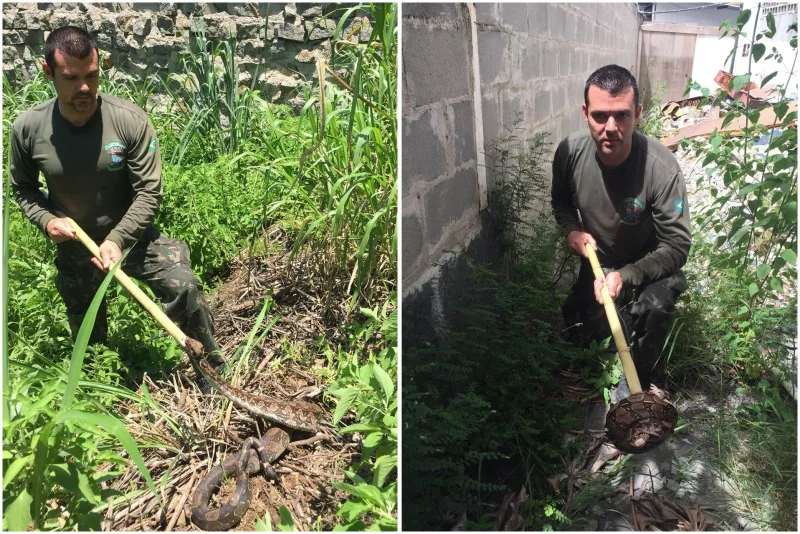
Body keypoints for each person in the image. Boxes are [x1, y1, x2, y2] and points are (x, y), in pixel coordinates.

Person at [9, 25, 221, 364]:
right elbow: (23, 188)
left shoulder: (129, 121)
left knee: (185, 286)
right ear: (47, 72)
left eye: (91, 76)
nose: (84, 87)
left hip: (131, 237)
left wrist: (118, 239)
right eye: (71, 77)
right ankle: (94, 387)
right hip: (76, 244)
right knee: (87, 338)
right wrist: (48, 221)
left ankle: (211, 368)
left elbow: (149, 191)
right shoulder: (28, 128)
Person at [551, 64, 692, 395]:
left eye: (622, 116)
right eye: (600, 116)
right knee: (578, 326)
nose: (610, 127)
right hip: (602, 258)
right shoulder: (569, 153)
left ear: (638, 113)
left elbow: (677, 246)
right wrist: (572, 230)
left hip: (650, 259)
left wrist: (625, 276)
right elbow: (560, 203)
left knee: (654, 309)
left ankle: (639, 380)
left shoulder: (661, 168)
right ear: (585, 113)